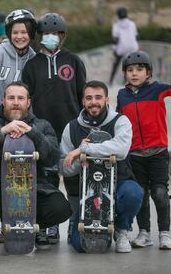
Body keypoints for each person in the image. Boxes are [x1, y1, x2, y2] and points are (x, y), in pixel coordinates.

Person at [0, 81, 72, 249]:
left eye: (21, 98)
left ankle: (31, 226)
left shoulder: (42, 125)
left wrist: (32, 132)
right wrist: (2, 132)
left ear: (28, 102)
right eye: (11, 98)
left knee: (61, 208)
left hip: (33, 189)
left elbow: (53, 158)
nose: (16, 102)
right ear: (3, 101)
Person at [116, 51, 171, 250]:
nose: (135, 73)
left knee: (159, 193)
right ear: (125, 74)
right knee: (140, 194)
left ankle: (164, 234)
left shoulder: (157, 90)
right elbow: (118, 121)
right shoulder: (122, 95)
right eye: (130, 70)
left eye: (140, 69)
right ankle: (144, 233)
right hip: (134, 154)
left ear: (148, 73)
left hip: (157, 151)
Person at [22, 12, 86, 243]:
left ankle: (74, 226)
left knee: (72, 179)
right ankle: (48, 226)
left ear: (62, 36)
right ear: (39, 37)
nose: (51, 37)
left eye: (55, 34)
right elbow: (27, 99)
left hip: (69, 129)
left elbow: (82, 96)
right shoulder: (32, 65)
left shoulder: (74, 61)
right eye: (46, 34)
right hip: (42, 132)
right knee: (46, 179)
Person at [60, 80, 143, 253]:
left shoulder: (121, 121)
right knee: (80, 246)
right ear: (83, 101)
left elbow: (121, 149)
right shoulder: (72, 127)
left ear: (107, 99)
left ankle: (121, 230)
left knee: (133, 193)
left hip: (119, 182)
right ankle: (79, 223)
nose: (93, 102)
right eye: (89, 98)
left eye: (98, 97)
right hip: (87, 192)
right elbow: (64, 168)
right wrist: (80, 160)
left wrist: (84, 149)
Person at [0, 9, 37, 109]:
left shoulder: (33, 57)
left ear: (31, 34)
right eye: (15, 32)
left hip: (25, 117)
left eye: (24, 32)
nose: (19, 36)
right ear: (9, 34)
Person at [108, 7, 138, 85]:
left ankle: (110, 81)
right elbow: (136, 36)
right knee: (129, 65)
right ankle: (125, 82)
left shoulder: (116, 25)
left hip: (121, 47)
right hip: (133, 47)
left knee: (116, 63)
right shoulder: (132, 24)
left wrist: (114, 49)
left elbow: (115, 39)